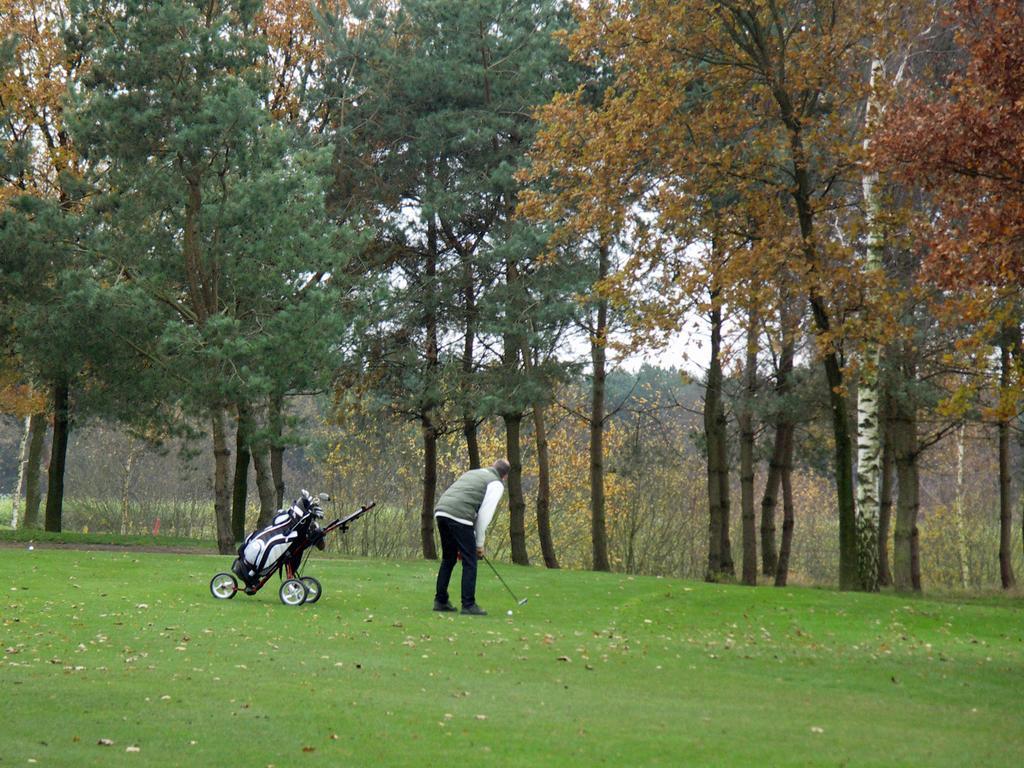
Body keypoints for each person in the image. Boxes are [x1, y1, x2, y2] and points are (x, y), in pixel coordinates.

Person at [433, 458, 510, 616]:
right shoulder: (496, 484)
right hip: (460, 516)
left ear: (493, 466)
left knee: (449, 558)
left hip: (441, 511)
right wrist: (478, 545)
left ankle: (440, 601)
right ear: (505, 476)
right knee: (470, 561)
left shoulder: (474, 472)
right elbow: (484, 516)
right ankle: (468, 604)